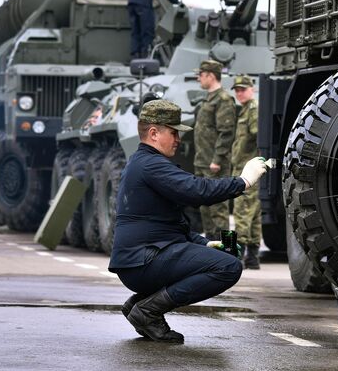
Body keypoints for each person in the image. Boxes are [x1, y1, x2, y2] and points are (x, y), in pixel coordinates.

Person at [108, 99, 269, 343]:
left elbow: (172, 224)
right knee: (228, 267)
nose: (178, 139)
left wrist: (205, 244)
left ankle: (140, 304)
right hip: (144, 260)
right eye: (173, 133)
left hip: (139, 259)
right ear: (153, 133)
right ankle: (148, 310)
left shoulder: (142, 163)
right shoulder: (151, 165)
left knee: (221, 259)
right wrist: (243, 182)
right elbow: (197, 190)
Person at [193, 60, 236, 240]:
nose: (198, 78)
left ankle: (228, 251)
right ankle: (211, 249)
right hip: (202, 161)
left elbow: (226, 133)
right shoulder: (208, 98)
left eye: (201, 75)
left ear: (211, 76)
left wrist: (217, 159)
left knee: (219, 209)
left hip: (214, 163)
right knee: (205, 208)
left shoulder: (223, 99)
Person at [230, 75, 261, 269]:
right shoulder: (246, 110)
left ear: (252, 89)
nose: (239, 93)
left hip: (248, 171)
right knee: (254, 213)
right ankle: (253, 257)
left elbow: (258, 136)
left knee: (241, 211)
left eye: (243, 89)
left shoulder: (253, 110)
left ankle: (236, 255)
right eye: (237, 90)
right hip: (246, 169)